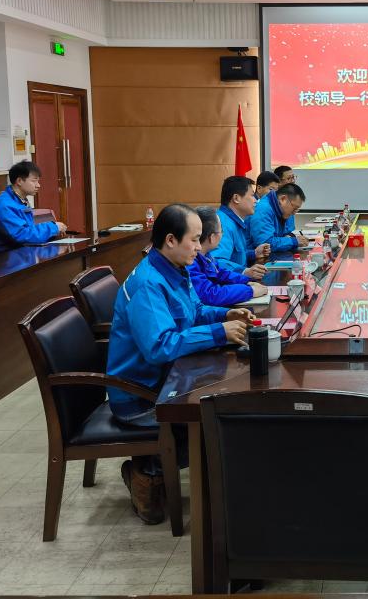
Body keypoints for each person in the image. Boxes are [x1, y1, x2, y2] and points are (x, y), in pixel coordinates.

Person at [107, 203, 254, 523]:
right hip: (141, 394)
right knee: (222, 419)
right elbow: (160, 346)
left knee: (231, 401)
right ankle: (148, 470)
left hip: (169, 376)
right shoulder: (149, 283)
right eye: (195, 240)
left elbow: (193, 311)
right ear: (171, 240)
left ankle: (158, 468)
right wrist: (218, 332)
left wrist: (225, 314)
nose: (200, 248)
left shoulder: (175, 267)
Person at [189, 206, 267, 306]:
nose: (222, 234)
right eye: (221, 230)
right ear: (212, 237)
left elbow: (220, 274)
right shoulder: (190, 262)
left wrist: (246, 281)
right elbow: (210, 295)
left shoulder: (206, 255)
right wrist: (250, 291)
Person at [0, 161, 67, 252]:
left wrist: (53, 230)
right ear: (19, 181)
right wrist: (54, 227)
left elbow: (28, 230)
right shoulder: (4, 205)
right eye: (34, 181)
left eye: (38, 181)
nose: (38, 185)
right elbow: (21, 235)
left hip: (20, 251)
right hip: (2, 256)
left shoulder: (20, 200)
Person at [213, 176, 271, 277]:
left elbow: (233, 256)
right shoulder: (222, 224)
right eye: (252, 195)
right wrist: (244, 271)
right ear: (236, 198)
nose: (255, 200)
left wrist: (254, 253)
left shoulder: (234, 221)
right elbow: (216, 262)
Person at [250, 182, 308, 254]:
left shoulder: (281, 209)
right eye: (294, 208)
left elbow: (287, 232)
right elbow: (265, 244)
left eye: (297, 210)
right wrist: (294, 241)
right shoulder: (263, 210)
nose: (294, 213)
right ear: (283, 199)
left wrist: (290, 237)